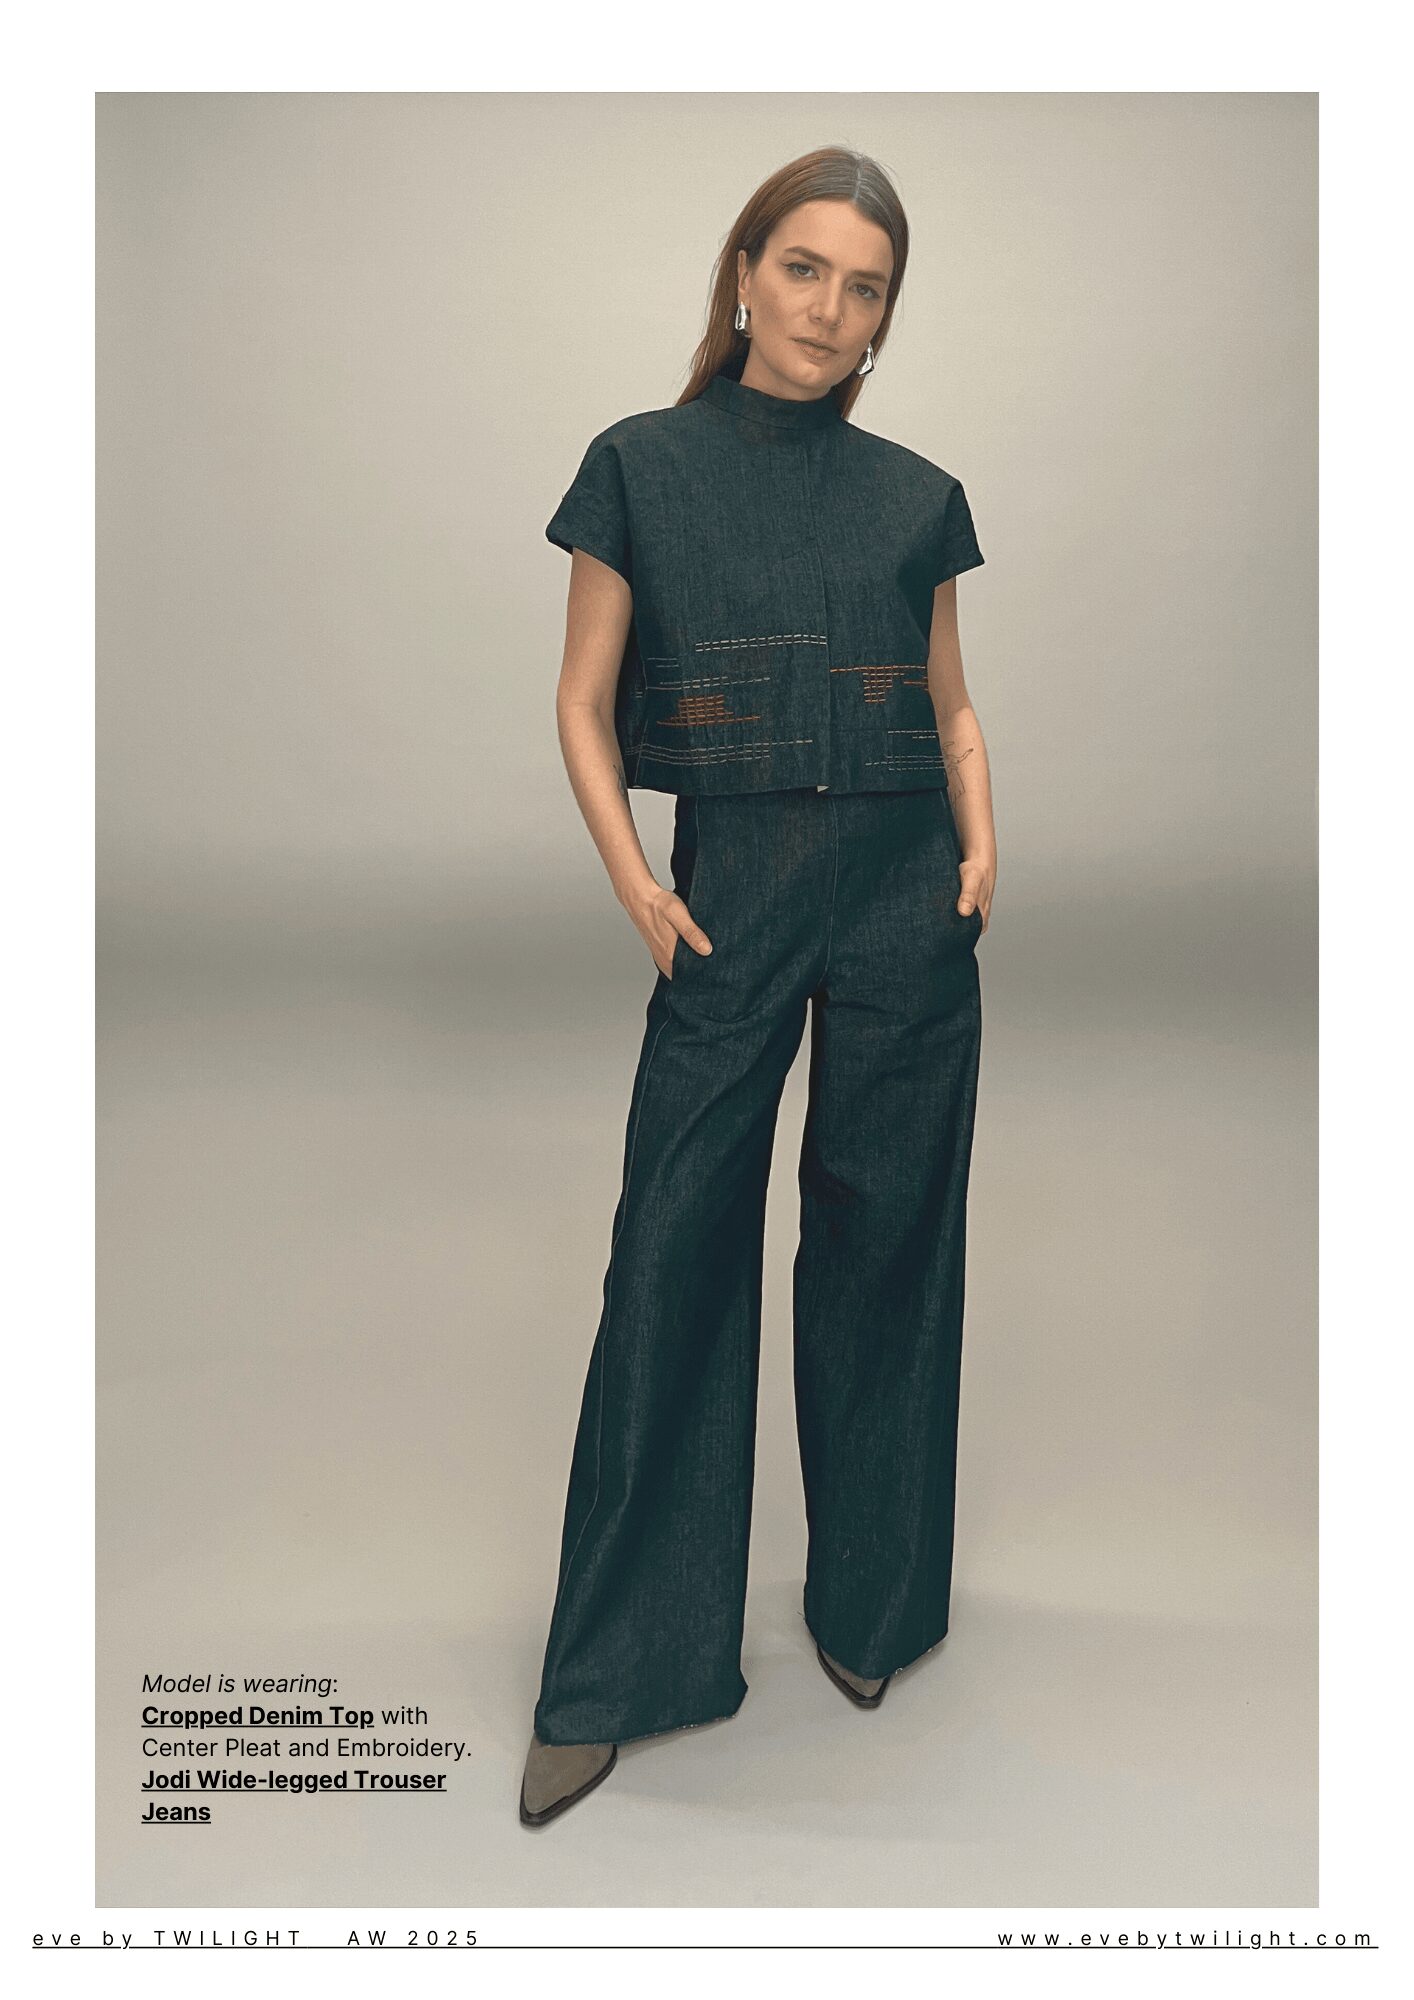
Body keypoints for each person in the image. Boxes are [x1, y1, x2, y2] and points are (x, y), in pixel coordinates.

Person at [520, 145, 995, 1827]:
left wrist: (981, 841)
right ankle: (621, 1670)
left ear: (884, 317)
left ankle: (872, 1606)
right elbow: (580, 700)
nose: (828, 309)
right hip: (729, 896)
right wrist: (634, 881)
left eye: (865, 287)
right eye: (803, 268)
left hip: (906, 900)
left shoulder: (917, 495)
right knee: (673, 1251)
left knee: (888, 1245)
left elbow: (947, 700)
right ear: (741, 274)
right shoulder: (638, 468)